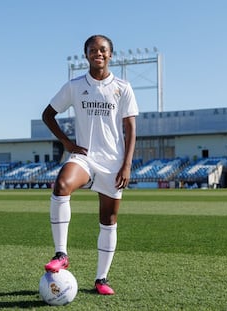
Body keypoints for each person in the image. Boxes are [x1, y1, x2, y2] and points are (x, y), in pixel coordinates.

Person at [42, 34, 138, 295]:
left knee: (108, 220)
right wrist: (67, 143)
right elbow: (48, 114)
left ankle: (101, 279)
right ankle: (61, 253)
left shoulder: (122, 87)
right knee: (61, 185)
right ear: (85, 55)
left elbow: (130, 128)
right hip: (84, 156)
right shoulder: (74, 86)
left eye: (103, 50)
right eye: (93, 50)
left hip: (113, 162)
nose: (98, 53)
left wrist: (127, 164)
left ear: (110, 54)